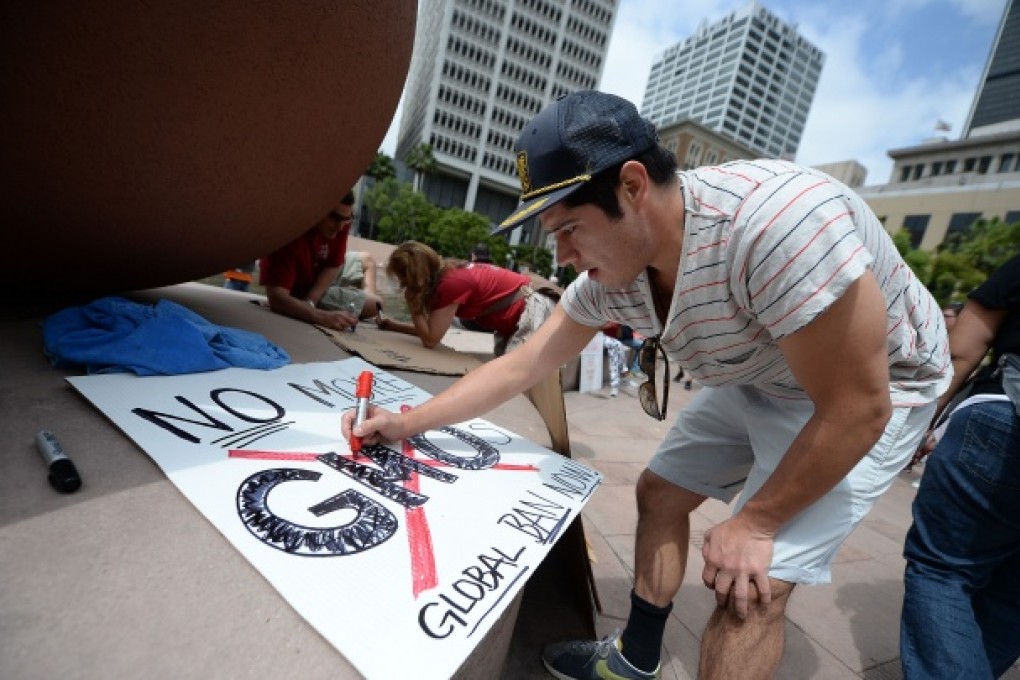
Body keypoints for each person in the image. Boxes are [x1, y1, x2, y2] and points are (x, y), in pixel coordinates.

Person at [342, 91, 951, 680]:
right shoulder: (614, 273)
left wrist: (757, 522)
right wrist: (404, 423)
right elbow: (521, 365)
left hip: (873, 389)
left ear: (632, 187)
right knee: (660, 493)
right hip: (764, 370)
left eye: (570, 229)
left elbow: (856, 406)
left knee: (748, 588)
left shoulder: (776, 226)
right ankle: (636, 656)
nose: (563, 257)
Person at [899, 254, 1020, 679]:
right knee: (1013, 595)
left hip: (1005, 421)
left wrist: (919, 422)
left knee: (943, 571)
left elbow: (966, 347)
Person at [377, 241, 556, 356]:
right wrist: (394, 326)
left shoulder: (450, 284)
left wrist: (413, 304)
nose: (402, 285)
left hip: (532, 309)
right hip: (523, 308)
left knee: (513, 377)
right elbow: (433, 330)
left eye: (402, 279)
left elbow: (431, 339)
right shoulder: (447, 272)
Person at [259, 191, 382, 331]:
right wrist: (318, 316)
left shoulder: (341, 222)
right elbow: (276, 298)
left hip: (318, 278)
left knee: (367, 260)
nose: (340, 227)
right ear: (317, 210)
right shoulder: (290, 234)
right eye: (335, 218)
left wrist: (311, 302)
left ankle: (358, 303)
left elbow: (333, 265)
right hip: (300, 289)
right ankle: (358, 303)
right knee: (377, 305)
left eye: (347, 219)